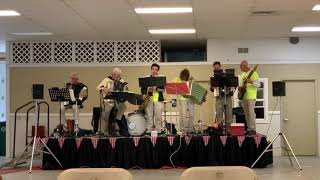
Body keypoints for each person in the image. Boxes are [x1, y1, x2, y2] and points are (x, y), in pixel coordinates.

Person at [96, 68, 127, 136]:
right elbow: (98, 88)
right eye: (118, 76)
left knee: (123, 106)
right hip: (108, 101)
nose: (119, 77)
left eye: (119, 76)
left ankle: (116, 120)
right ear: (113, 74)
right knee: (106, 113)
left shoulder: (121, 80)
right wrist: (105, 89)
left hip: (117, 101)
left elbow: (125, 89)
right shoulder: (107, 80)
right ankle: (103, 131)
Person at [141, 63, 164, 133]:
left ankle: (158, 130)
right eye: (153, 69)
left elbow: (163, 90)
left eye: (156, 69)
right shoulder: (146, 78)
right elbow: (143, 89)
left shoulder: (161, 79)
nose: (154, 71)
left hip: (158, 100)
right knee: (149, 116)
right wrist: (143, 94)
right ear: (151, 70)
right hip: (149, 99)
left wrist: (156, 88)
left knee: (158, 116)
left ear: (158, 71)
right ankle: (149, 130)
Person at [239, 60, 260, 135]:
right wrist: (239, 88)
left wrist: (251, 81)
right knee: (246, 113)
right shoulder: (242, 75)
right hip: (244, 96)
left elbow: (258, 85)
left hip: (251, 96)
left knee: (251, 113)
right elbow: (241, 85)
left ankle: (253, 129)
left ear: (245, 65)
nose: (240, 68)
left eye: (241, 66)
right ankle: (249, 129)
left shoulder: (254, 73)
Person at [210, 61, 233, 128]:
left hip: (227, 96)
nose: (217, 69)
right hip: (218, 96)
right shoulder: (213, 77)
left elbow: (231, 85)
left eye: (218, 68)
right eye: (215, 68)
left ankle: (229, 129)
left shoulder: (226, 75)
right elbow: (211, 89)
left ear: (220, 67)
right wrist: (212, 87)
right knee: (219, 113)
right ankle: (219, 129)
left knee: (228, 113)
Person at [173, 69, 195, 134]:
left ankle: (190, 129)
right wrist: (181, 83)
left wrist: (191, 82)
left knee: (192, 115)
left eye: (186, 76)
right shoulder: (178, 79)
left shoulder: (191, 79)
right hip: (182, 99)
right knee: (183, 115)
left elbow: (194, 89)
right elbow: (173, 86)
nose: (185, 77)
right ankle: (183, 129)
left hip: (191, 99)